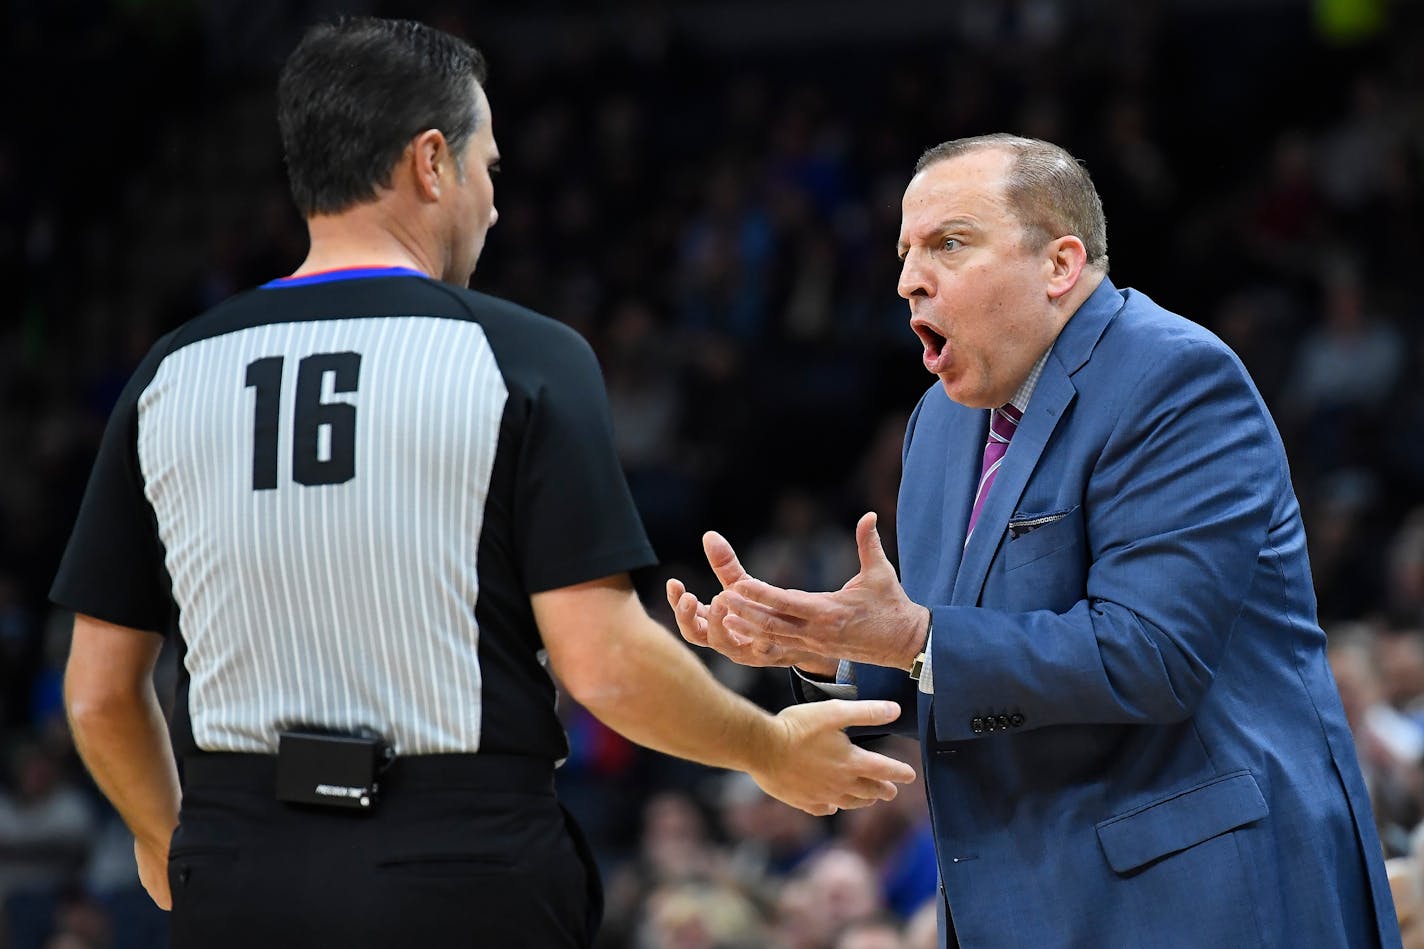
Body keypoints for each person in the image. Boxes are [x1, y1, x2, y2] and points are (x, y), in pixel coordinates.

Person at [51, 17, 915, 949]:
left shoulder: (168, 375)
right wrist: (767, 746)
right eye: (488, 169)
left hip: (236, 865)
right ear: (432, 163)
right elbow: (606, 665)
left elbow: (100, 692)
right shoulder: (522, 356)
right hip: (457, 868)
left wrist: (166, 837)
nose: (495, 205)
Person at [669, 134, 1402, 947]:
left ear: (1059, 265)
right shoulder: (937, 426)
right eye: (906, 251)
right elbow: (975, 674)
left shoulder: (1176, 379)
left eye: (949, 243)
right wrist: (831, 648)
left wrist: (916, 636)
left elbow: (1150, 657)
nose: (910, 277)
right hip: (1019, 905)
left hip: (1203, 901)